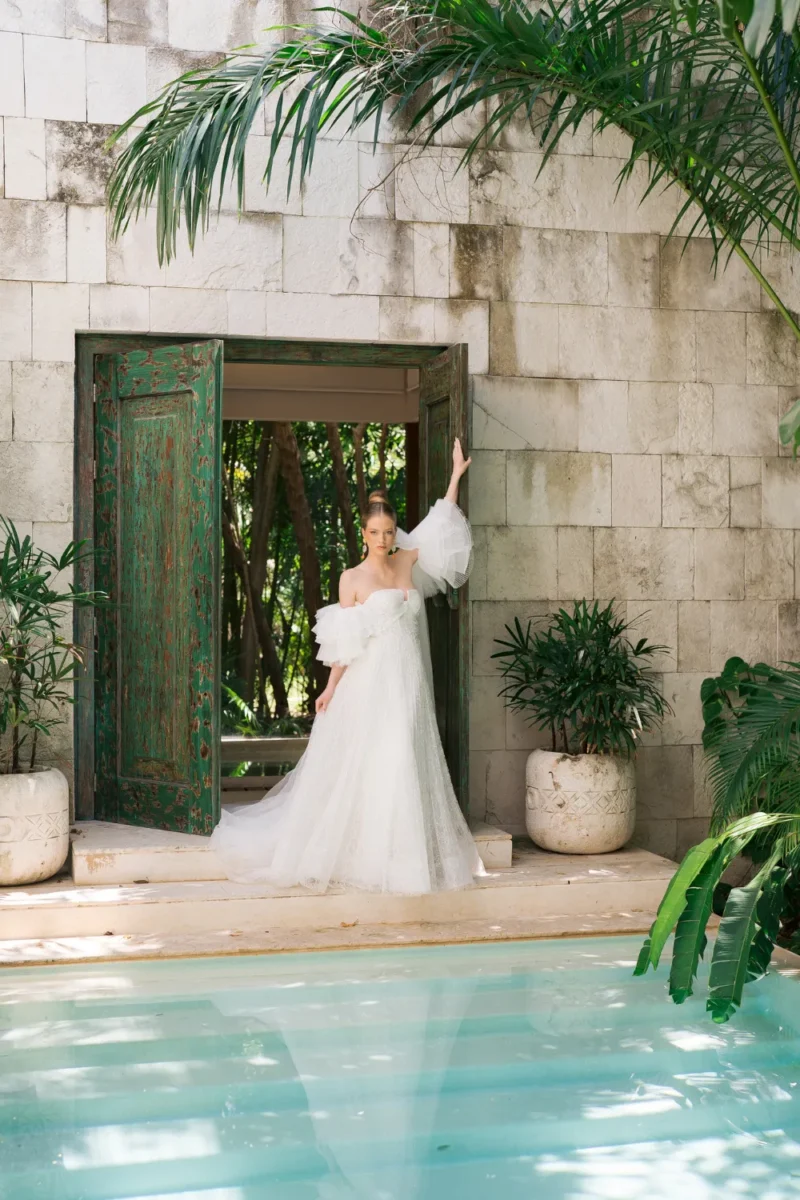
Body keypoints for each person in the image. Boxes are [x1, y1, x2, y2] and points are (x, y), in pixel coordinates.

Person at [210, 438, 484, 893]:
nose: (383, 540)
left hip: (409, 682)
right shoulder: (352, 579)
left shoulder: (408, 561)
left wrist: (455, 476)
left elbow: (440, 528)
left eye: (389, 533)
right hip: (371, 683)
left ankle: (404, 855)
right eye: (375, 534)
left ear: (396, 533)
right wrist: (330, 688)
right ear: (364, 533)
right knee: (379, 758)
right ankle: (369, 855)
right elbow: (345, 643)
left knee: (405, 759)